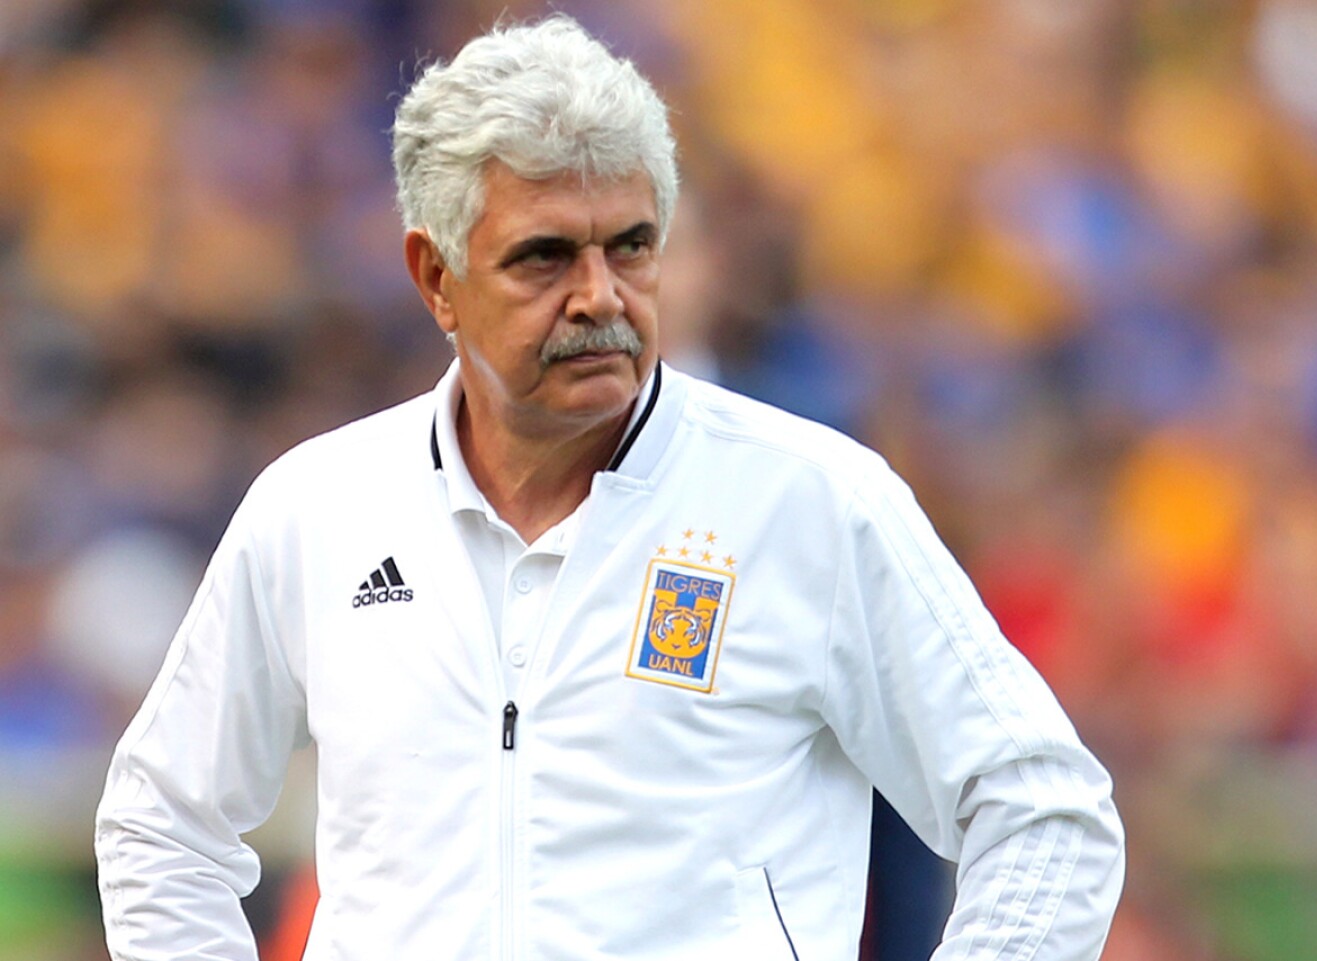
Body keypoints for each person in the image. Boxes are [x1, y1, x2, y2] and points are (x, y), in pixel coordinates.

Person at [94, 15, 1124, 960]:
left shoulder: (813, 501)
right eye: (543, 258)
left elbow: (1046, 809)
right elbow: (160, 822)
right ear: (436, 277)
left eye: (630, 247)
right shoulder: (318, 508)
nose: (600, 296)